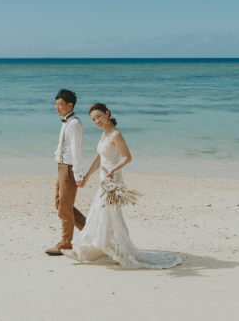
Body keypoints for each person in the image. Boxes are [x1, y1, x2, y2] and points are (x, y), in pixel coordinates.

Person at [62, 103, 182, 269]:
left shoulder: (115, 135)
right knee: (106, 215)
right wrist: (87, 176)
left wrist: (112, 170)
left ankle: (85, 249)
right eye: (93, 119)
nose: (97, 120)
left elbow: (127, 157)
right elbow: (99, 159)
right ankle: (102, 248)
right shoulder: (104, 135)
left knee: (102, 212)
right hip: (103, 179)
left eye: (99, 116)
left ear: (107, 113)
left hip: (112, 180)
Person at [45, 89, 87, 256]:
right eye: (56, 104)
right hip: (62, 167)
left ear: (70, 105)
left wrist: (77, 176)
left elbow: (77, 152)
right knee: (60, 203)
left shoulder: (74, 124)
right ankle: (88, 227)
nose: (57, 107)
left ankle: (66, 243)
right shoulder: (66, 122)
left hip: (69, 169)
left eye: (60, 104)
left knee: (64, 208)